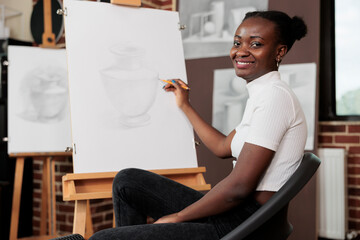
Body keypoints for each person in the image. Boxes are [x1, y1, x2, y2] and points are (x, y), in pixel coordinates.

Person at [89, 10, 308, 240]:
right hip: (236, 212)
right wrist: (185, 105)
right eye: (237, 42)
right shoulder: (262, 95)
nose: (241, 51)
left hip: (248, 222)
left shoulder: (275, 97)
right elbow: (222, 146)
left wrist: (179, 217)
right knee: (127, 181)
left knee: (100, 239)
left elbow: (240, 186)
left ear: (279, 51)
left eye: (255, 44)